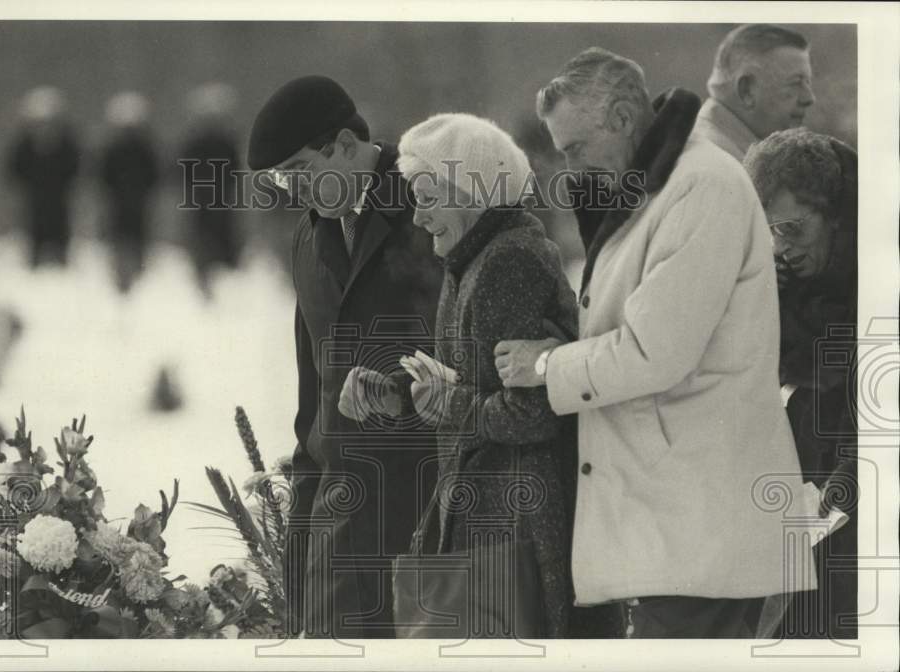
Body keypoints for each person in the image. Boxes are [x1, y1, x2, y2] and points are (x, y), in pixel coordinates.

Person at [493, 47, 817, 638]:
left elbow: (653, 353)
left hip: (700, 532)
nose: (572, 169)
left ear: (621, 118)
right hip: (680, 528)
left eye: (576, 149)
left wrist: (545, 364)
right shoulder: (655, 191)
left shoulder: (701, 188)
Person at [341, 113, 620, 638]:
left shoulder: (507, 262)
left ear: (470, 192)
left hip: (517, 529)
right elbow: (473, 379)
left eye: (426, 197)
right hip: (493, 523)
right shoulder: (474, 259)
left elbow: (532, 409)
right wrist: (400, 393)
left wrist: (448, 404)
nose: (418, 219)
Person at [247, 75, 443, 638]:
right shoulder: (308, 240)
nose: (292, 192)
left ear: (344, 143)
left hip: (428, 516)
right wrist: (301, 540)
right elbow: (315, 397)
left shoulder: (429, 208)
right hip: (341, 535)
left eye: (300, 172)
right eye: (282, 182)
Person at [743, 128, 858, 639]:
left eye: (793, 229)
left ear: (833, 213)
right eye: (771, 232)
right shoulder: (788, 283)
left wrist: (853, 472)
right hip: (802, 513)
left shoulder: (878, 276)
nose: (781, 247)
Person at [695, 24, 815, 162]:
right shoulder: (718, 162)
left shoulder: (715, 148)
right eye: (795, 83)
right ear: (746, 91)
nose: (809, 98)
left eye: (807, 82)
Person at [179, 83, 245, 299]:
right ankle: (211, 284)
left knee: (213, 240)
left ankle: (215, 284)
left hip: (212, 198)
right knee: (210, 240)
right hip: (211, 198)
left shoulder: (204, 141)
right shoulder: (218, 141)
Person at [7, 86, 81, 268]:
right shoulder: (24, 147)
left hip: (59, 203)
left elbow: (76, 169)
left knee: (60, 240)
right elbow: (14, 170)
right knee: (33, 238)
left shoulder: (66, 146)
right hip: (33, 203)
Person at [99, 92, 159, 293]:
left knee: (136, 241)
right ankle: (121, 277)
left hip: (138, 205)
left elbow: (155, 175)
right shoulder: (113, 150)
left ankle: (136, 277)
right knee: (119, 241)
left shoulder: (145, 149)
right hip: (118, 205)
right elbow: (102, 176)